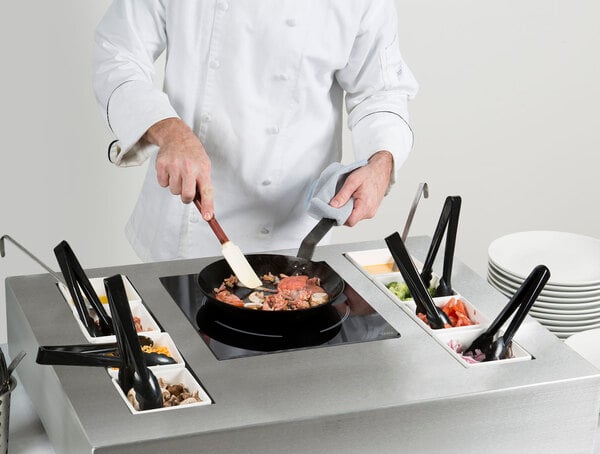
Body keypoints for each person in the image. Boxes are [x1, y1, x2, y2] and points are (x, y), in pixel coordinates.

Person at [93, 0, 418, 261]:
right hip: (182, 229)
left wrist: (380, 161)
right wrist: (167, 130)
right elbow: (118, 53)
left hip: (291, 235)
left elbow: (380, 91)